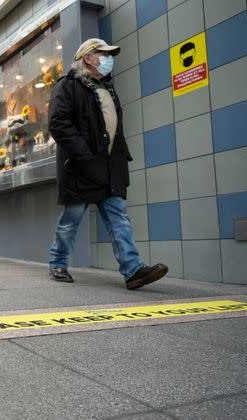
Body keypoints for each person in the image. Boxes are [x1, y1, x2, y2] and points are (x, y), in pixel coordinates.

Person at [47, 38, 168, 290]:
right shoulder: (67, 86)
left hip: (109, 167)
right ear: (89, 57)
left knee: (118, 218)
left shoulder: (106, 87)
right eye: (104, 54)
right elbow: (59, 124)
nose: (108, 58)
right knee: (72, 218)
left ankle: (133, 270)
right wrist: (85, 156)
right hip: (80, 166)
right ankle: (57, 262)